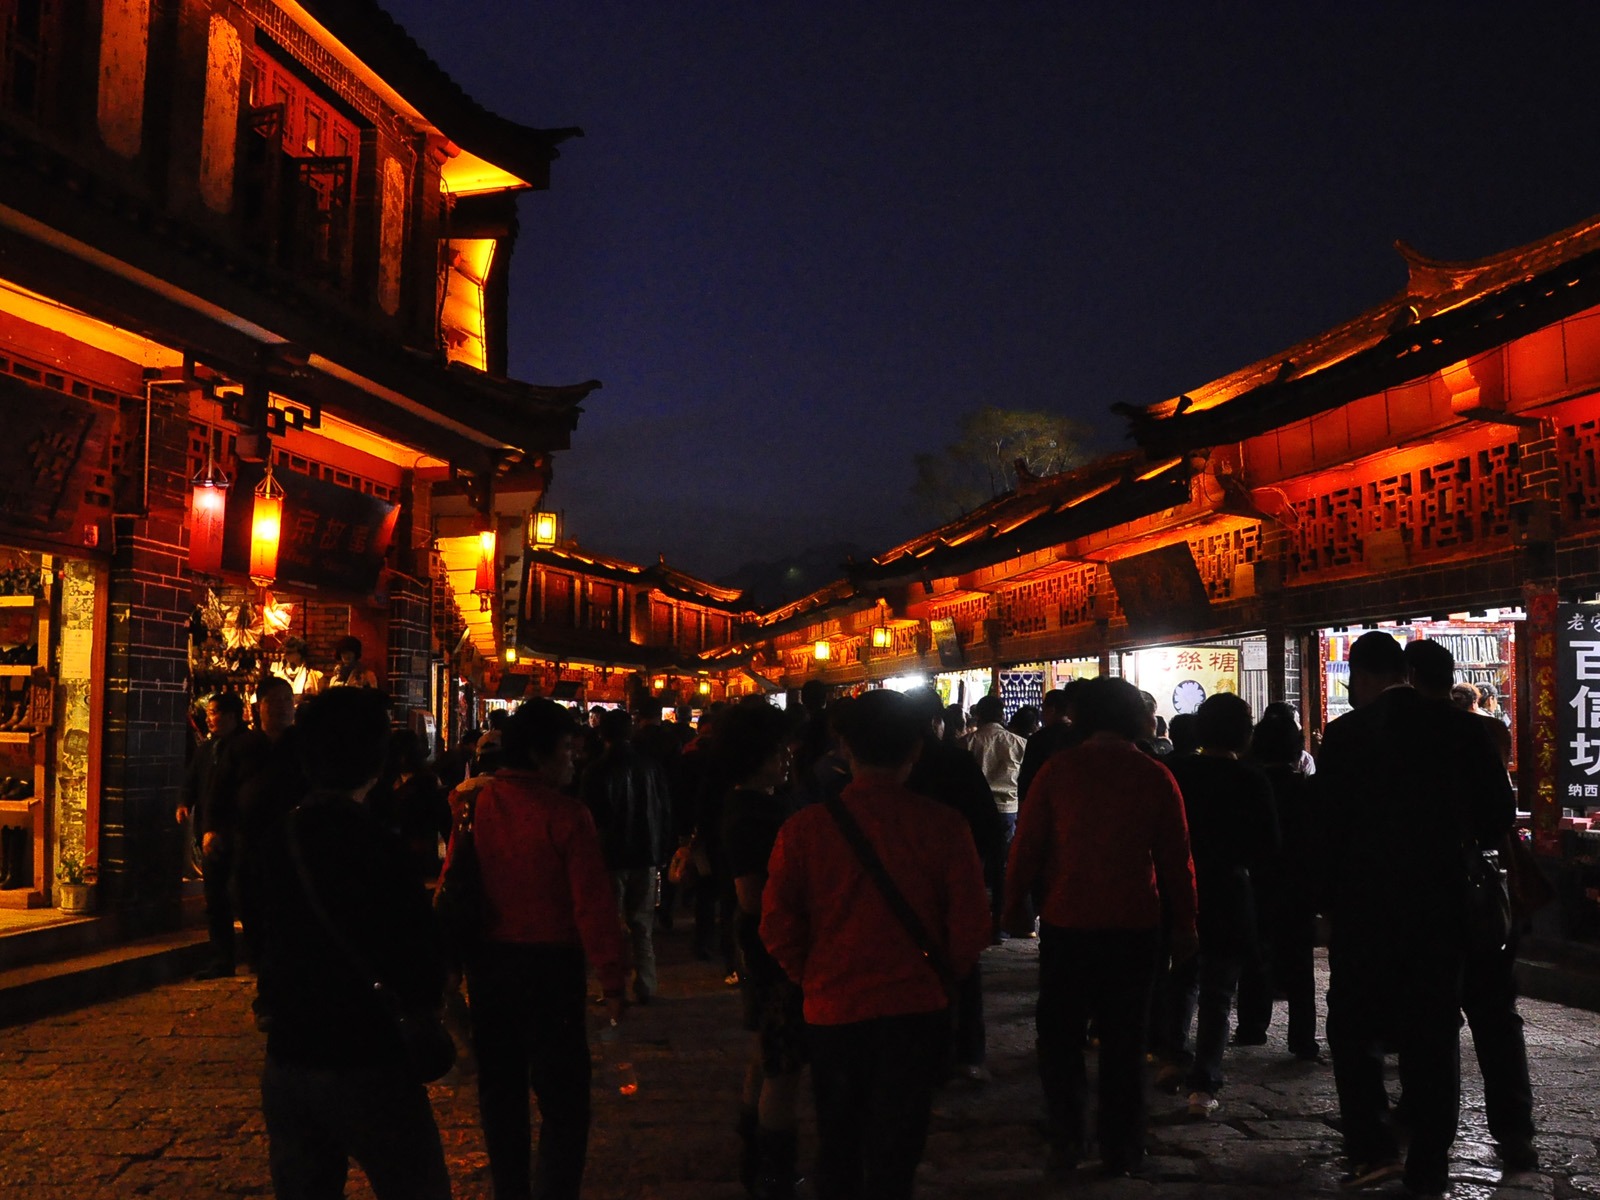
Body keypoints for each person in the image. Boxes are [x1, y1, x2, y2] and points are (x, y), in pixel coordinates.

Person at [761, 689, 989, 1200]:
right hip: (915, 1007)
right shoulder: (945, 827)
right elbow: (972, 924)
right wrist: (941, 974)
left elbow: (776, 923)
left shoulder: (805, 829)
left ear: (844, 749)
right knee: (899, 1143)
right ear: (915, 750)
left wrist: (811, 974)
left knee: (838, 1138)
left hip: (833, 1007)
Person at [1317, 631, 1513, 1195]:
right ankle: (1429, 1160)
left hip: (1364, 907)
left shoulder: (1346, 735)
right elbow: (1497, 813)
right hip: (1440, 906)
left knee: (1354, 1027)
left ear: (1362, 674)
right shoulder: (1461, 729)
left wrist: (1326, 904)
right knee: (1433, 1030)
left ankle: (1372, 1146)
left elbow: (1325, 829)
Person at [254, 687, 452, 1200]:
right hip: (369, 1054)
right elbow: (416, 951)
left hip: (291, 1054)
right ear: (374, 759)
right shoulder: (376, 846)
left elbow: (259, 929)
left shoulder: (281, 838)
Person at [1003, 676, 1197, 1178]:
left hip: (1068, 920)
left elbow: (1026, 847)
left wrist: (1015, 903)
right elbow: (1176, 859)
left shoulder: (1057, 771)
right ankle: (1123, 1145)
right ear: (1136, 718)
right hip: (1135, 922)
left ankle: (1068, 1137)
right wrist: (1186, 924)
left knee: (1061, 1036)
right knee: (1126, 1040)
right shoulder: (1154, 776)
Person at [450, 699, 625, 1200]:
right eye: (567, 750)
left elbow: (453, 887)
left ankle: (511, 1189)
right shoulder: (567, 816)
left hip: (489, 967)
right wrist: (612, 977)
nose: (573, 760)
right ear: (539, 754)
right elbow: (592, 904)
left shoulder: (471, 805)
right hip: (551, 969)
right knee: (564, 1099)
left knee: (501, 1092)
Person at [1407, 638, 1537, 1171]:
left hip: (1423, 896)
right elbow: (1500, 813)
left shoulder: (1402, 736)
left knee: (1432, 1021)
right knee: (1496, 1018)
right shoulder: (1478, 733)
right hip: (1477, 895)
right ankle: (1514, 1133)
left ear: (1410, 677)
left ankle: (1429, 1145)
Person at [1162, 694, 1280, 1117]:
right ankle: (1204, 1084)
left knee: (1181, 976)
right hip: (1229, 890)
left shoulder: (1175, 771)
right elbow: (1267, 846)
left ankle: (1173, 1054)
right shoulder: (1250, 779)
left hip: (1180, 887)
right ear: (1245, 734)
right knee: (1218, 992)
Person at [718, 700, 808, 1198]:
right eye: (777, 753)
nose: (787, 760)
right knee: (783, 1063)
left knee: (764, 1053)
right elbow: (752, 896)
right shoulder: (757, 813)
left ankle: (753, 1151)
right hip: (773, 945)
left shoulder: (742, 804)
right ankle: (773, 1173)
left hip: (757, 943)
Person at [903, 685, 1002, 1083]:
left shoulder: (894, 765)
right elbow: (988, 825)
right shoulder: (955, 761)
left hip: (903, 881)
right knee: (963, 964)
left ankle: (922, 1051)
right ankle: (967, 1053)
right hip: (957, 877)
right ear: (935, 721)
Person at [1234, 710, 1321, 1060]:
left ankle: (1251, 1026)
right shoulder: (1306, 789)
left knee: (1254, 956)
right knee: (1300, 963)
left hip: (1255, 881)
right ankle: (1302, 1039)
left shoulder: (1247, 786)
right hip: (1297, 884)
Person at [583, 708, 675, 1005]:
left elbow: (590, 818)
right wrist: (662, 848)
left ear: (601, 733)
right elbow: (663, 810)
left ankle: (614, 986)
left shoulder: (595, 770)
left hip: (610, 855)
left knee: (609, 924)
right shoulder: (650, 767)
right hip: (646, 852)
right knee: (642, 923)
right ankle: (646, 983)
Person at [178, 689, 267, 979]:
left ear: (231, 715)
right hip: (209, 832)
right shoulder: (208, 747)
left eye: (214, 713)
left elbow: (235, 792)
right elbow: (193, 778)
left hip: (237, 833)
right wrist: (184, 802)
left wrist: (218, 828)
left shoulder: (248, 745)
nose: (209, 718)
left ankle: (257, 957)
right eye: (208, 713)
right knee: (215, 899)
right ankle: (222, 958)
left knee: (245, 897)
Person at [966, 693, 1026, 938]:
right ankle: (1000, 926)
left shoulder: (968, 742)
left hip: (976, 809)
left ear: (978, 715)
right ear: (1003, 715)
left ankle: (974, 921)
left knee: (975, 865)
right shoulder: (1018, 743)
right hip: (1007, 809)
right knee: (1002, 868)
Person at [370, 730, 451, 884]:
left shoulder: (427, 782)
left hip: (419, 854)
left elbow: (442, 818)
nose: (403, 759)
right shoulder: (383, 783)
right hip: (389, 855)